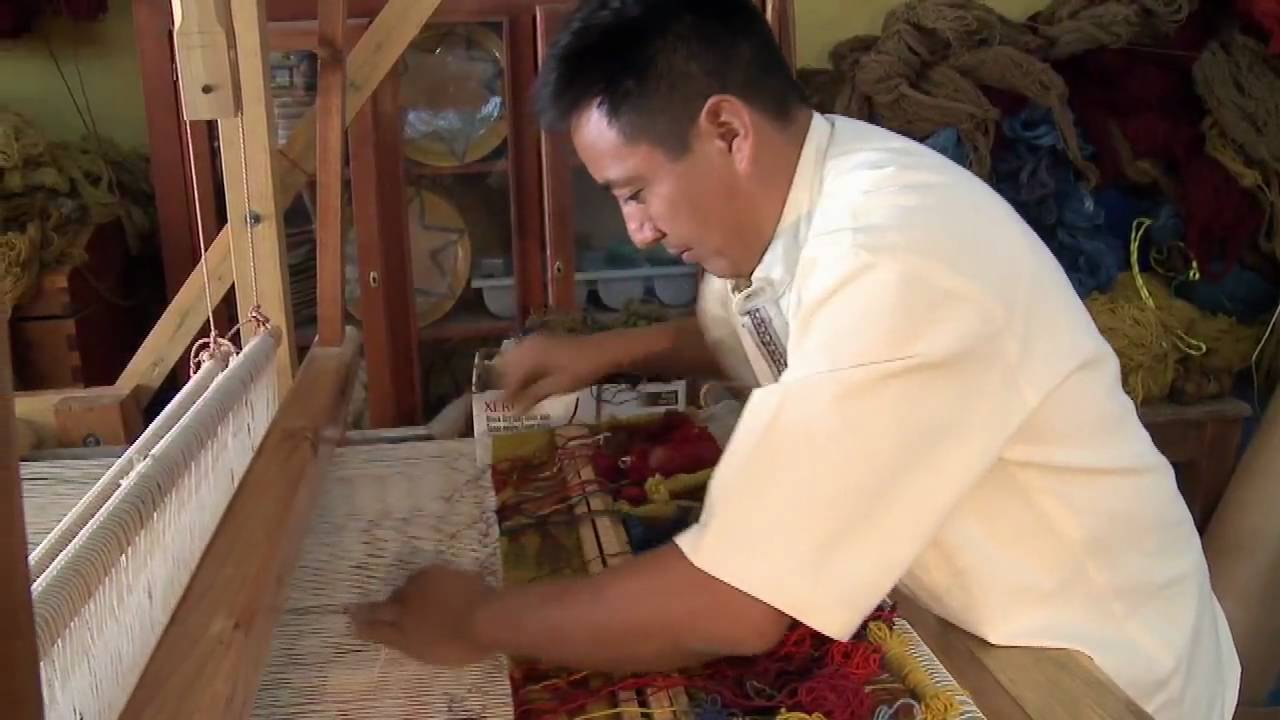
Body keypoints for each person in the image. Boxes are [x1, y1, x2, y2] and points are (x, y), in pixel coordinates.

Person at [348, 1, 1241, 717]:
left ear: (728, 130)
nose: (639, 230)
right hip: (981, 617)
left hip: (1093, 675)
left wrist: (476, 620)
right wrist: (617, 349)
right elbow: (771, 332)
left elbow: (732, 604)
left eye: (635, 191)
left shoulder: (889, 250)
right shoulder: (808, 199)